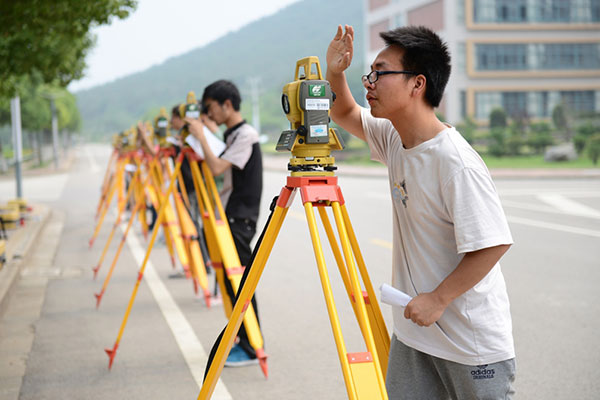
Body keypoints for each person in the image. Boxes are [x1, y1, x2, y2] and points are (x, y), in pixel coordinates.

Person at [326, 25, 516, 399]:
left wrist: (438, 299)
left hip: (470, 345)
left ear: (418, 84)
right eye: (370, 74)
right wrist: (336, 71)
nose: (370, 83)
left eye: (380, 73)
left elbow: (493, 244)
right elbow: (345, 111)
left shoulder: (456, 163)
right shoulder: (394, 137)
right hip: (414, 336)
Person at [185, 79, 264, 368]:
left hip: (239, 218)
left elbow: (217, 166)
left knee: (241, 283)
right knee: (234, 285)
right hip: (231, 214)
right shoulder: (234, 134)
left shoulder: (246, 135)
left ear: (226, 104)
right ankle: (244, 340)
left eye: (210, 108)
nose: (210, 114)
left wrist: (201, 136)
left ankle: (253, 346)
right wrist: (207, 132)